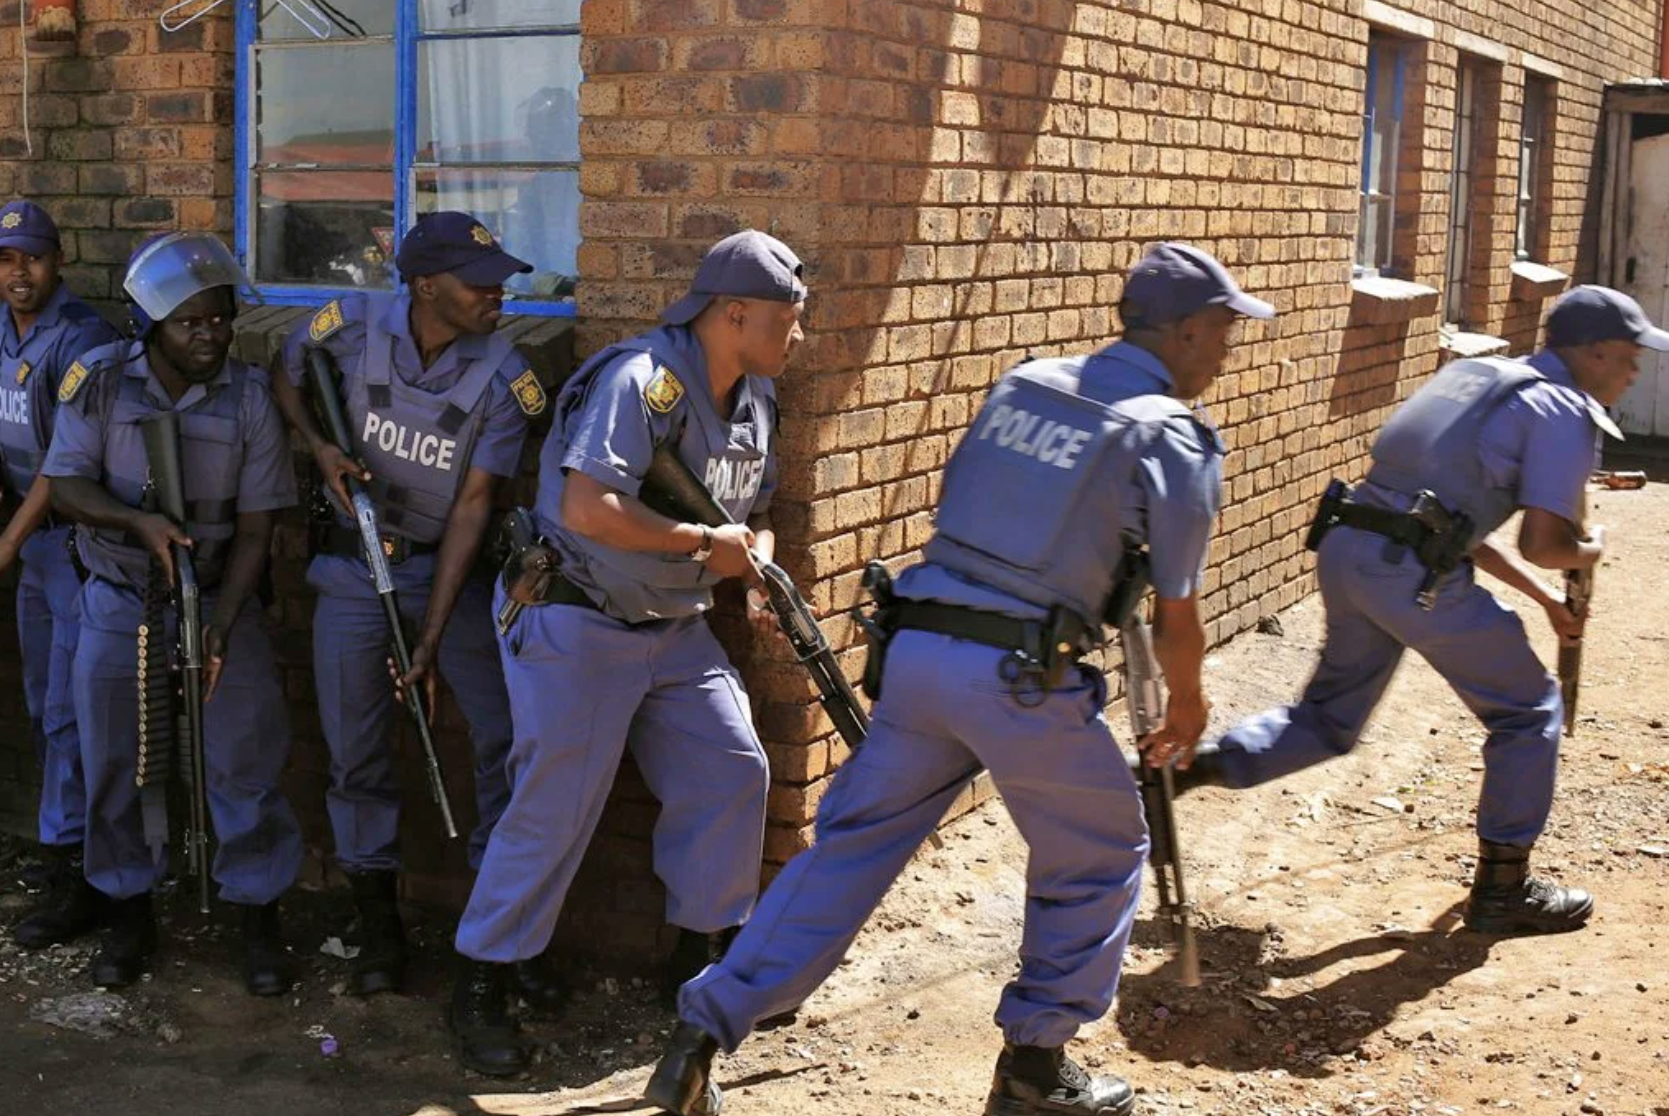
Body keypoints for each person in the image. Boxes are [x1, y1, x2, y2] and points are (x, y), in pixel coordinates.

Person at [647, 242, 1266, 1116]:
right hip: (1017, 675)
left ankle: (698, 1036)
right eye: (1225, 333)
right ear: (1190, 331)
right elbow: (1177, 612)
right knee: (1100, 850)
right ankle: (1036, 1067)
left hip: (920, 656)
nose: (1228, 351)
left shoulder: (1027, 383)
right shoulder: (1171, 436)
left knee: (848, 854)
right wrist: (1190, 706)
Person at [1164, 284, 1657, 937]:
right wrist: (1589, 551)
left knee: (1329, 718)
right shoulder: (1563, 408)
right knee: (1528, 709)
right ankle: (1504, 889)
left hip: (1351, 544)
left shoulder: (1484, 377)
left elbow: (1456, 525)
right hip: (1408, 569)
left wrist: (1543, 605)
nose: (1636, 370)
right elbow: (1545, 544)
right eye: (1629, 355)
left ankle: (1186, 770)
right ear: (1593, 352)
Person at [447, 230, 801, 1077]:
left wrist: (755, 563)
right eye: (789, 320)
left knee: (732, 768)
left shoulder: (753, 397)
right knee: (553, 805)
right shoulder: (639, 380)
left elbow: (751, 512)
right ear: (735, 313)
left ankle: (699, 957)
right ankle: (482, 981)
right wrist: (702, 546)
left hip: (671, 626)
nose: (798, 338)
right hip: (578, 615)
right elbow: (588, 507)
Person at [271, 212, 545, 998]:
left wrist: (427, 637)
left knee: (504, 738)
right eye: (479, 282)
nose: (499, 294)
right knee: (354, 747)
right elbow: (287, 375)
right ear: (426, 286)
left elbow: (475, 508)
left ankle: (501, 930)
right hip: (357, 568)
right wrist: (320, 445)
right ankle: (377, 925)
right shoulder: (351, 325)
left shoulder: (503, 375)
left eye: (500, 281)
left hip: (449, 577)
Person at [44, 232, 303, 994]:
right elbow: (64, 485)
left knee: (244, 765)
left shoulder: (249, 396)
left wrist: (220, 624)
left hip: (221, 602)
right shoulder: (97, 382)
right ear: (151, 326)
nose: (210, 336)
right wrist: (137, 524)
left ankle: (257, 917)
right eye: (192, 323)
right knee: (117, 766)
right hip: (121, 600)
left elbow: (259, 525)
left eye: (220, 320)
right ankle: (127, 914)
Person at [0, 200, 119, 936]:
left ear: (60, 261)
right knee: (47, 705)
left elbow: (66, 462)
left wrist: (6, 544)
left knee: (74, 711)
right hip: (31, 539)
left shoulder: (81, 337)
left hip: (72, 544)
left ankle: (83, 869)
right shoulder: (2, 326)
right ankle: (61, 847)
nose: (20, 273)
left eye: (33, 258)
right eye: (4, 259)